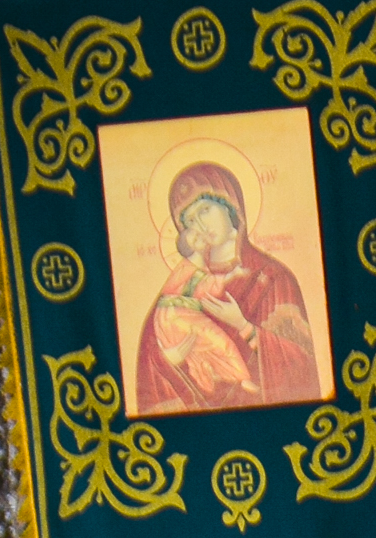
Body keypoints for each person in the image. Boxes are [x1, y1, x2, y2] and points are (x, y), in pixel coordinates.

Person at [133, 163, 326, 413]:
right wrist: (168, 359)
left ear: (230, 206)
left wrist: (243, 326)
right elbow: (152, 359)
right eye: (190, 220)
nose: (200, 225)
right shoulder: (182, 286)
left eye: (205, 210)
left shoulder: (273, 278)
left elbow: (302, 366)